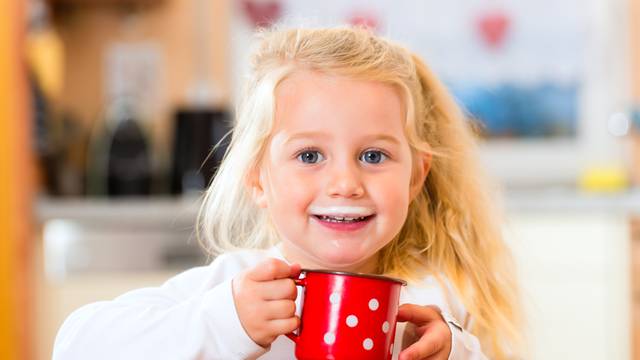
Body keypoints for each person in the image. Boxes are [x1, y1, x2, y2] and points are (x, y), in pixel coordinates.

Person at [53, 26, 523, 360]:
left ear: (416, 176)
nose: (345, 183)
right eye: (310, 156)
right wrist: (223, 324)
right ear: (258, 177)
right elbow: (74, 345)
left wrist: (455, 351)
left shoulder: (428, 305)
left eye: (374, 156)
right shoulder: (232, 288)